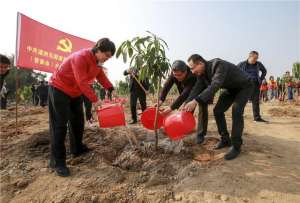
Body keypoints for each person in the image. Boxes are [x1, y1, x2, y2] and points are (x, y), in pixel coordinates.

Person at [48, 38, 116, 177]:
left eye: (110, 57)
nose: (107, 59)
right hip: (59, 88)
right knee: (60, 125)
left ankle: (77, 148)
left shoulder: (97, 63)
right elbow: (81, 81)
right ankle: (58, 162)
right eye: (106, 55)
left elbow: (101, 77)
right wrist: (95, 100)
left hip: (75, 92)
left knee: (78, 121)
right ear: (98, 50)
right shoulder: (80, 57)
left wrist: (110, 88)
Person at [183, 54, 253, 160]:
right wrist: (187, 103)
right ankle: (225, 139)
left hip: (245, 86)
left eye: (193, 68)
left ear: (200, 63)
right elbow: (196, 89)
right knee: (218, 111)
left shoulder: (218, 65)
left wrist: (196, 101)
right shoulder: (202, 74)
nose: (192, 71)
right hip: (231, 89)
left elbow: (215, 85)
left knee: (236, 111)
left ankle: (236, 146)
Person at [158, 60, 207, 144]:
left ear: (185, 72)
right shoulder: (174, 74)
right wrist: (161, 100)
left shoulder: (192, 76)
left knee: (202, 109)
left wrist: (170, 108)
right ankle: (186, 128)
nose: (177, 77)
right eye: (175, 75)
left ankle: (201, 134)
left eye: (179, 75)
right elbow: (166, 86)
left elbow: (184, 95)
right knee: (186, 110)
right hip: (186, 92)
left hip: (201, 90)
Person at [237, 51, 267, 122]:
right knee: (242, 101)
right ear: (250, 57)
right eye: (255, 58)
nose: (256, 59)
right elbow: (235, 70)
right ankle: (238, 116)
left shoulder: (258, 64)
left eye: (257, 58)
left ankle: (257, 118)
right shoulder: (242, 64)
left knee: (256, 101)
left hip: (255, 84)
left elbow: (264, 71)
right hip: (245, 85)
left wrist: (261, 78)